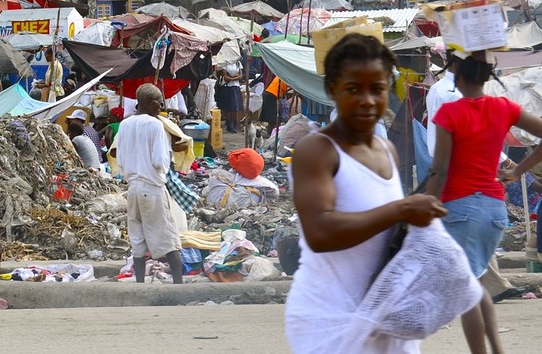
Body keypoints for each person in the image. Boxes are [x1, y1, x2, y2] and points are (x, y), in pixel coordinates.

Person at [285, 34, 449, 352]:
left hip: (384, 317)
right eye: (353, 89)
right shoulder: (316, 151)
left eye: (377, 89)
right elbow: (320, 233)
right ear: (332, 89)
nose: (367, 100)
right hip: (331, 319)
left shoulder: (385, 149)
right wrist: (401, 211)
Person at [429, 51, 542, 354]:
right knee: (474, 284)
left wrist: (427, 205)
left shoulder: (449, 114)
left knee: (466, 291)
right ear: (486, 75)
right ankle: (496, 350)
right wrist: (518, 170)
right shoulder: (503, 107)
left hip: (461, 209)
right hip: (494, 210)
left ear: (459, 75)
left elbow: (439, 169)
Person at [109, 83, 184, 284]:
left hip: (133, 188)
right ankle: (179, 286)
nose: (161, 106)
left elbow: (121, 160)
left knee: (137, 240)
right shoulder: (155, 125)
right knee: (168, 239)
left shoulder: (125, 124)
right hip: (152, 188)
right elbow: (160, 161)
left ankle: (140, 284)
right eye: (159, 102)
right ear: (150, 102)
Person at [204, 148, 279, 209]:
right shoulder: (263, 183)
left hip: (229, 203)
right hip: (251, 204)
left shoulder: (229, 177)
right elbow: (273, 194)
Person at [219, 62, 243, 133]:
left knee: (235, 107)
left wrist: (231, 78)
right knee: (227, 107)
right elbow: (225, 78)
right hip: (227, 87)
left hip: (236, 86)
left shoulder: (238, 63)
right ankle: (228, 124)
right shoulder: (224, 63)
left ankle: (234, 124)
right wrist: (236, 76)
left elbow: (241, 76)